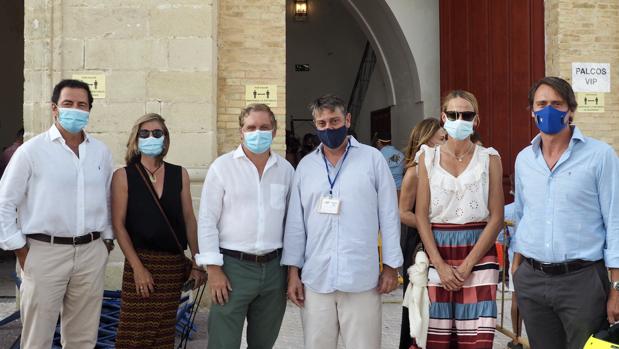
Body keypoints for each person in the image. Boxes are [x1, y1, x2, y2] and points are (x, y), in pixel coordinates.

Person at [0, 79, 114, 348]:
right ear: (54, 108)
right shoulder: (31, 151)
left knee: (83, 338)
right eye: (68, 104)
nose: (75, 109)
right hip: (44, 253)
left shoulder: (100, 152)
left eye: (82, 105)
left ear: (89, 110)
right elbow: (4, 201)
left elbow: (109, 198)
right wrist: (19, 249)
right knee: (38, 338)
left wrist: (106, 241)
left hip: (90, 252)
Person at [283, 94, 403, 349]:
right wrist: (293, 272)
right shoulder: (306, 167)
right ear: (316, 126)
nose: (329, 128)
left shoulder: (373, 160)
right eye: (322, 123)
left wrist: (391, 266)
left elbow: (389, 215)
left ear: (347, 120)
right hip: (317, 278)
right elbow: (296, 224)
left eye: (334, 121)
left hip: (361, 278)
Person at [511, 76, 619, 349]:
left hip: (582, 282)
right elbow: (522, 215)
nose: (549, 110)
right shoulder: (524, 159)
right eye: (542, 103)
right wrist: (517, 266)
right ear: (532, 111)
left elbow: (615, 220)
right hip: (533, 280)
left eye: (557, 104)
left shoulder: (600, 156)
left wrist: (616, 288)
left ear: (571, 109)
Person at [196, 103, 294, 348]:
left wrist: (292, 271)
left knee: (263, 343)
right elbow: (207, 220)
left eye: (264, 127)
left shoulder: (286, 171)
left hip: (274, 270)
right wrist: (213, 270)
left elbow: (293, 225)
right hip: (231, 269)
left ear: (274, 131)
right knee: (223, 343)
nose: (257, 132)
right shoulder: (222, 167)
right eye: (251, 127)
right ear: (241, 131)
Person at [415, 90, 504, 348]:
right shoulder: (427, 157)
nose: (460, 119)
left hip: (479, 249)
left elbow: (497, 217)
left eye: (466, 114)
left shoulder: (490, 158)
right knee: (435, 336)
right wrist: (439, 264)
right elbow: (421, 215)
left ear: (476, 120)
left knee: (478, 337)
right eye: (454, 114)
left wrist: (466, 266)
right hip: (438, 248)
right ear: (443, 117)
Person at [112, 113, 206, 348]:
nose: (151, 137)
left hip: (172, 267)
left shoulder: (179, 173)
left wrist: (197, 261)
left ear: (165, 139)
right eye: (145, 133)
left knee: (163, 335)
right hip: (141, 263)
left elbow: (189, 219)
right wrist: (138, 268)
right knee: (132, 334)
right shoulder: (124, 176)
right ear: (136, 139)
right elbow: (118, 225)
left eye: (157, 133)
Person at [398, 118, 446, 349]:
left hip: (438, 240)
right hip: (418, 243)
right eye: (441, 139)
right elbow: (403, 212)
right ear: (426, 140)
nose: (445, 143)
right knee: (417, 303)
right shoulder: (414, 171)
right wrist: (428, 225)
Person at [375, 130, 406, 196]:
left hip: (383, 192)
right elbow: (404, 171)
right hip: (399, 191)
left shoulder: (377, 156)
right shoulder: (401, 155)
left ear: (379, 142)